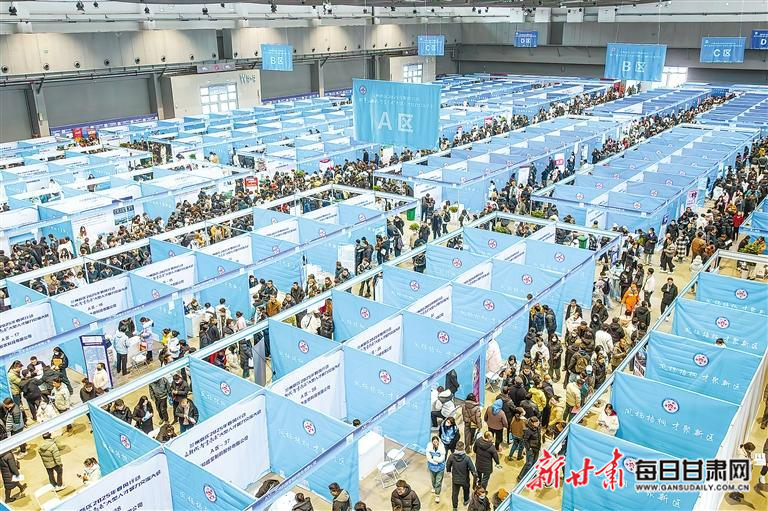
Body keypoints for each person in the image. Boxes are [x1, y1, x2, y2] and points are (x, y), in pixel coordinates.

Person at [446, 441, 477, 511]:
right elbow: (473, 469)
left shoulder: (451, 456)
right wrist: (475, 477)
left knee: (455, 494)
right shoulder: (467, 458)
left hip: (455, 479)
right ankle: (466, 501)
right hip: (465, 479)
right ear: (463, 448)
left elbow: (448, 465)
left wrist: (449, 472)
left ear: (456, 447)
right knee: (466, 490)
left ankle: (454, 507)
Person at [518, 417, 542, 482]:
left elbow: (539, 437)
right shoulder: (528, 430)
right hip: (531, 449)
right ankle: (520, 477)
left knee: (534, 462)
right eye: (536, 423)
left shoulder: (537, 427)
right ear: (532, 423)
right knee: (529, 463)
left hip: (537, 448)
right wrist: (529, 448)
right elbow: (525, 440)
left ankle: (531, 474)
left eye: (538, 422)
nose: (538, 423)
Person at [426, 436, 446, 503]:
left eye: (436, 442)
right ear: (432, 442)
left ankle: (437, 495)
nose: (435, 443)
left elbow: (442, 458)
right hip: (432, 467)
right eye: (434, 442)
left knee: (438, 482)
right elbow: (428, 458)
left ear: (438, 441)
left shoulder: (442, 448)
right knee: (433, 480)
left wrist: (435, 458)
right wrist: (434, 461)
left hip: (440, 468)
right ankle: (434, 488)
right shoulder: (429, 448)